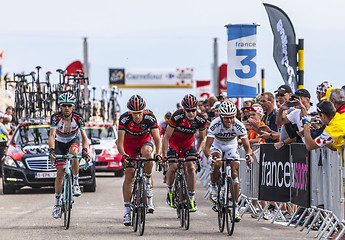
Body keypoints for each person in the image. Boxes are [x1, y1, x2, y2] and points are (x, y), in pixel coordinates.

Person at [204, 101, 253, 221]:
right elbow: (207, 147)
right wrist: (210, 157)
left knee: (234, 173)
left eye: (232, 117)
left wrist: (248, 155)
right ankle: (214, 186)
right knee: (218, 162)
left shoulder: (239, 125)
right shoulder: (215, 124)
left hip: (231, 146)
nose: (229, 120)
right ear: (221, 116)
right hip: (217, 145)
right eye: (226, 117)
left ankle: (235, 208)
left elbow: (248, 148)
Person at [117, 95, 162, 226]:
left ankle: (147, 181)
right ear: (130, 112)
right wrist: (123, 154)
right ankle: (126, 210)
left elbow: (157, 139)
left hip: (144, 141)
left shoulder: (150, 117)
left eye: (139, 113)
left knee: (147, 153)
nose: (137, 116)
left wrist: (158, 154)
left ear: (144, 110)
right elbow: (120, 142)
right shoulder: (124, 118)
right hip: (129, 145)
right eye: (134, 113)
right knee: (129, 174)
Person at [163, 94, 207, 212]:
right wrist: (164, 156)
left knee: (191, 168)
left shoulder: (200, 119)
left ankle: (191, 198)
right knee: (172, 168)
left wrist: (198, 153)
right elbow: (166, 137)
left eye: (193, 110)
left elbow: (203, 139)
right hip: (175, 143)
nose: (191, 113)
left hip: (188, 144)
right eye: (188, 111)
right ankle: (170, 192)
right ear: (183, 109)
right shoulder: (176, 116)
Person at [49, 93, 90, 219]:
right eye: (64, 105)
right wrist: (51, 150)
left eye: (69, 106)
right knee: (60, 172)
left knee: (74, 153)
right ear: (60, 107)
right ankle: (56, 204)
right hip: (59, 142)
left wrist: (85, 150)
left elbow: (84, 136)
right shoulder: (55, 117)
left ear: (73, 107)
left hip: (72, 140)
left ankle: (76, 183)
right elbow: (52, 135)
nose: (66, 108)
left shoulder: (78, 117)